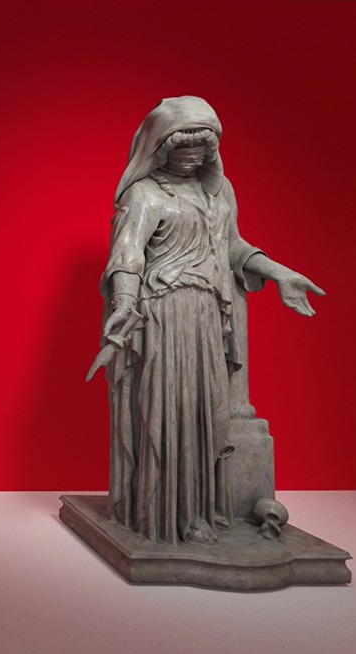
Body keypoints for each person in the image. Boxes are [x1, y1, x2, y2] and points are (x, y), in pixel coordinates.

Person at [93, 97, 322, 544]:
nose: (193, 156)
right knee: (171, 413)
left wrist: (279, 272)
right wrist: (123, 302)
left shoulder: (219, 192)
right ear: (160, 148)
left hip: (208, 316)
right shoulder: (145, 195)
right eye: (183, 148)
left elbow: (231, 246)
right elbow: (128, 254)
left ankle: (200, 511)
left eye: (202, 148)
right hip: (165, 314)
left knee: (207, 414)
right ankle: (167, 516)